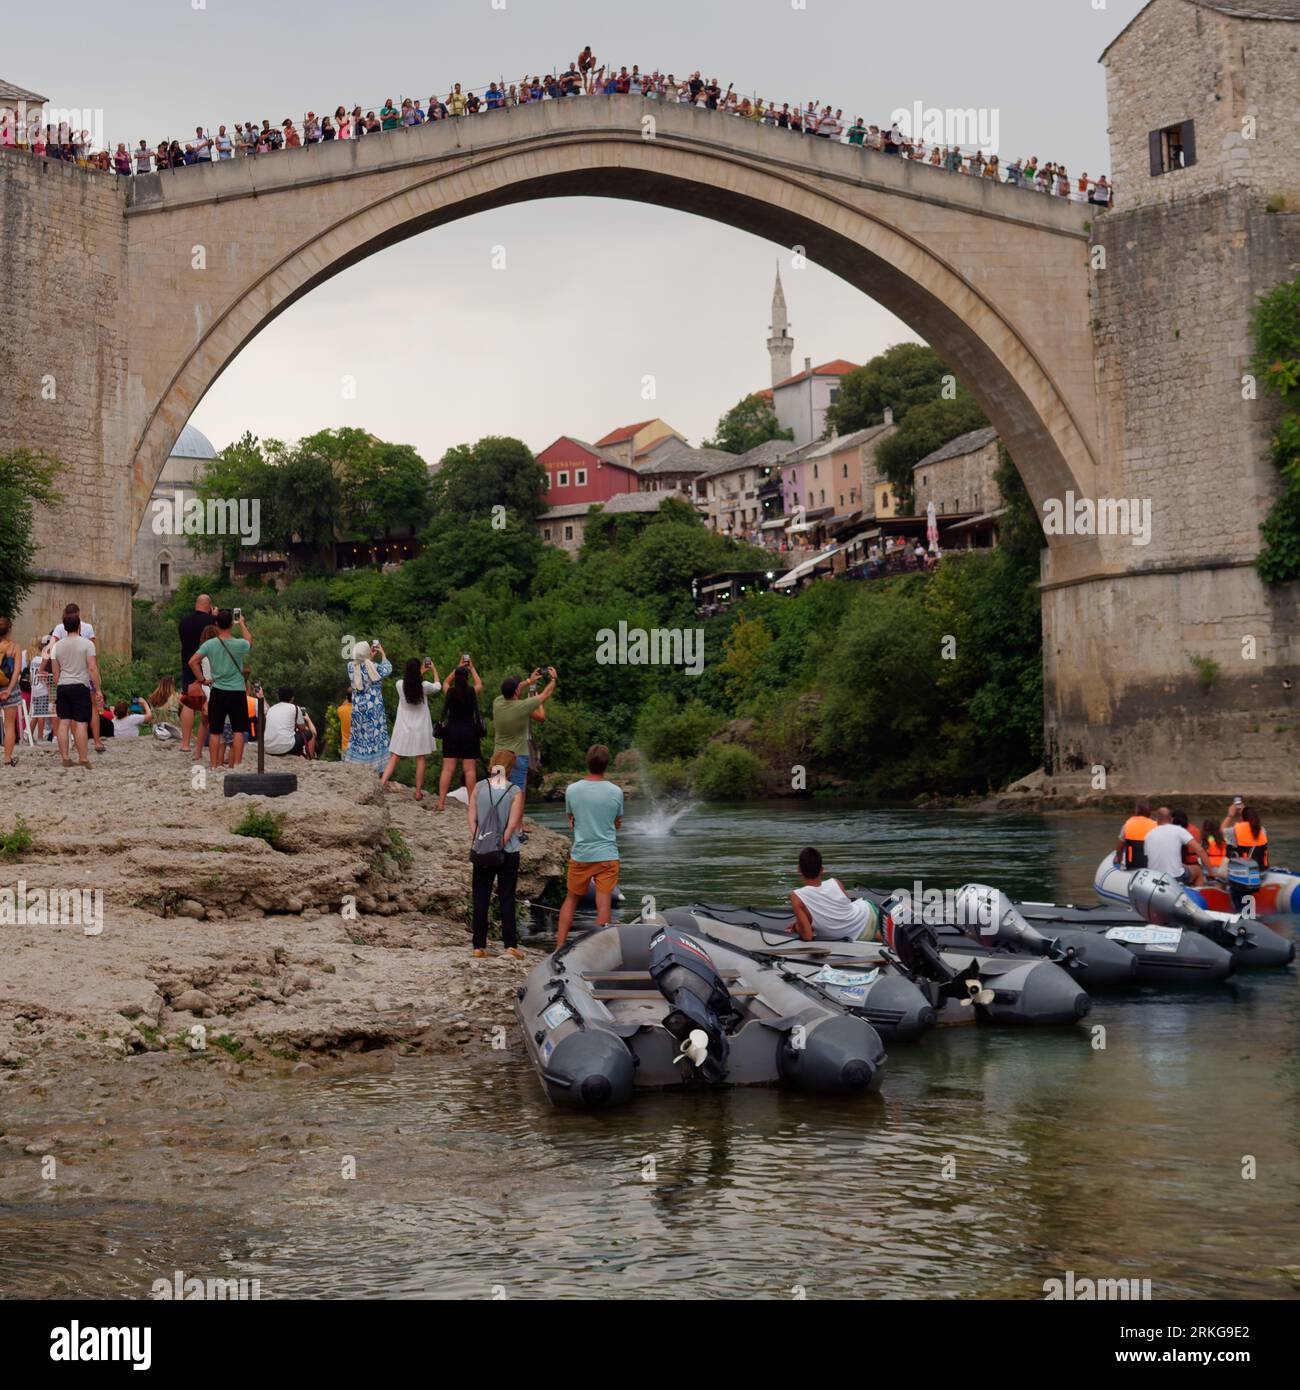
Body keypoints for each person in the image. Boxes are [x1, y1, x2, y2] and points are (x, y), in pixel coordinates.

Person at [554, 744, 624, 949]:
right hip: (607, 854)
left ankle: (558, 947)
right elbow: (617, 823)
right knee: (604, 903)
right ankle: (599, 950)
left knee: (571, 899)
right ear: (606, 765)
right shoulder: (616, 791)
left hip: (581, 854)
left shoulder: (572, 790)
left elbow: (571, 818)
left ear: (587, 763)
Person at [466, 749, 527, 959]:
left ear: (493, 764)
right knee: (507, 897)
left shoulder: (479, 788)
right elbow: (513, 825)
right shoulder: (514, 791)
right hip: (507, 851)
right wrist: (499, 842)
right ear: (510, 768)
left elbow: (471, 819)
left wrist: (482, 840)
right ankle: (510, 945)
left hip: (482, 850)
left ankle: (478, 946)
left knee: (480, 897)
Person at [189, 608, 253, 769]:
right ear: (232, 624)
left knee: (216, 730)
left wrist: (202, 679)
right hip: (237, 691)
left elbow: (192, 662)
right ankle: (237, 763)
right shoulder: (239, 644)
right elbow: (249, 640)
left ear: (216, 624)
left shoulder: (210, 644)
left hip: (218, 690)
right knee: (238, 729)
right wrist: (243, 624)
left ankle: (213, 765)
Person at [381, 657, 441, 798]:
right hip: (420, 728)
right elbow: (438, 686)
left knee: (395, 755)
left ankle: (382, 782)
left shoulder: (399, 684)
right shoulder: (424, 686)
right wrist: (433, 669)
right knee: (420, 758)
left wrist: (419, 673)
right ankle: (418, 792)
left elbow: (411, 681)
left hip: (403, 726)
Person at [491, 666, 556, 795]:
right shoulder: (523, 706)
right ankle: (515, 815)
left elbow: (514, 688)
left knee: (496, 791)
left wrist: (529, 681)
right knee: (517, 794)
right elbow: (546, 694)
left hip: (499, 754)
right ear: (516, 691)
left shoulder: (497, 702)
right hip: (518, 755)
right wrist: (553, 679)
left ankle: (498, 814)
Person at [788, 846, 876, 940]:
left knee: (871, 932)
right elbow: (843, 910)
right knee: (874, 930)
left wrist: (797, 927)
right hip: (868, 913)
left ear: (799, 869)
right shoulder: (835, 882)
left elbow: (807, 936)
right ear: (822, 870)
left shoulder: (796, 896)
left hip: (855, 935)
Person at [51, 611, 100, 768]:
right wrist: (98, 689)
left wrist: (60, 687)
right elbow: (92, 668)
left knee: (63, 723)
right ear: (79, 626)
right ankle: (83, 758)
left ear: (64, 628)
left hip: (63, 686)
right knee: (80, 723)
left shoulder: (57, 646)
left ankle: (65, 757)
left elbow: (55, 672)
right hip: (80, 685)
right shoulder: (87, 644)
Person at [435, 657, 483, 810]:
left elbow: (445, 683)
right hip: (469, 731)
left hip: (451, 731)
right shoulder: (472, 692)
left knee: (447, 769)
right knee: (469, 769)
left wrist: (457, 668)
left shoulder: (450, 692)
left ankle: (441, 802)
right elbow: (479, 684)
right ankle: (472, 804)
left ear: (456, 677)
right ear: (467, 678)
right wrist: (472, 667)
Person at [344, 640, 392, 772]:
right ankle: (375, 767)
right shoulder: (375, 667)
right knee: (375, 736)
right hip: (374, 707)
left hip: (358, 707)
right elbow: (388, 669)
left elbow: (362, 664)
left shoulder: (350, 666)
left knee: (360, 735)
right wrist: (382, 653)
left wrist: (368, 656)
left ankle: (359, 764)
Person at [178, 593, 215, 752]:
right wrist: (214, 617)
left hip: (188, 663)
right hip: (207, 664)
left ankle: (185, 743)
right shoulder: (211, 621)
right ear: (209, 606)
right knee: (212, 701)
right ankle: (214, 739)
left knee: (189, 701)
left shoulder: (183, 622)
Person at [1142, 807, 1210, 885]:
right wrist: (1211, 873)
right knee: (1198, 871)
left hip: (1155, 878)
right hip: (1176, 877)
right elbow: (1200, 850)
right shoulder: (1179, 830)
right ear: (1171, 819)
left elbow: (1147, 859)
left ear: (1157, 821)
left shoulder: (1148, 835)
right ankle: (1195, 895)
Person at [264, 685, 316, 760]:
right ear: (292, 698)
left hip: (268, 747)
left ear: (278, 697)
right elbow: (302, 728)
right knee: (310, 733)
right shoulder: (295, 708)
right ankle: (310, 757)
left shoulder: (271, 709)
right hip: (285, 747)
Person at [0, 618, 23, 766]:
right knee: (9, 725)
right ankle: (7, 758)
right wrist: (8, 690)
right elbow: (16, 671)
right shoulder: (15, 647)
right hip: (10, 689)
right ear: (9, 630)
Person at [1114, 799, 1158, 869]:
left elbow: (1120, 847)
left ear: (1137, 811)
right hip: (1151, 866)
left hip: (1132, 864)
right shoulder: (1156, 826)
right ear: (1150, 812)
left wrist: (1118, 858)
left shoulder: (1127, 825)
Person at [337, 688, 352, 755]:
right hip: (358, 749)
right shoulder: (360, 711)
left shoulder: (340, 710)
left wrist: (348, 698)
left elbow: (344, 703)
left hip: (346, 748)